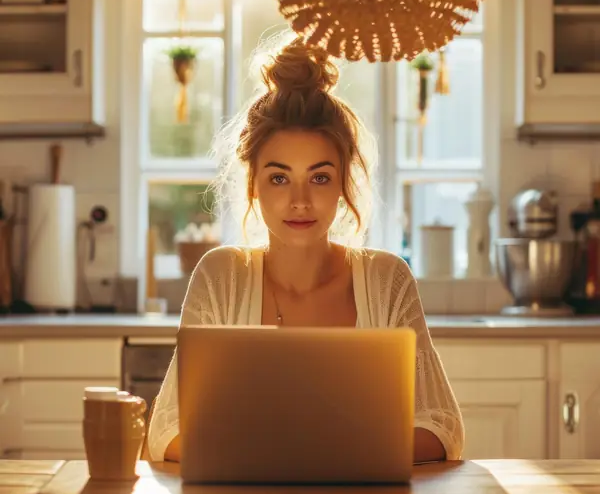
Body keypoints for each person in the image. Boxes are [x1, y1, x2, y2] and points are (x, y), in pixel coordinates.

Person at [146, 35, 465, 464]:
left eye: (319, 177)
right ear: (254, 186)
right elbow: (167, 432)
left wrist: (286, 448)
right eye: (279, 178)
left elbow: (441, 428)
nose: (300, 200)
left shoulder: (387, 279)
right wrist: (331, 446)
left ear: (341, 186)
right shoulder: (220, 275)